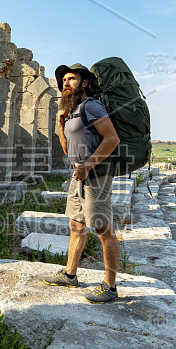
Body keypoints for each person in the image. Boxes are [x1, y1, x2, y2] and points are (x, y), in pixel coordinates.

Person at [43, 63, 122, 303]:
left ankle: (110, 287)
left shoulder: (92, 106)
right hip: (77, 175)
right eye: (64, 80)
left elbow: (112, 139)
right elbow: (68, 150)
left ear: (85, 83)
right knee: (76, 226)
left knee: (103, 230)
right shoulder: (72, 111)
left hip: (95, 176)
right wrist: (60, 124)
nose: (66, 83)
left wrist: (88, 165)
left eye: (72, 79)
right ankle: (70, 275)